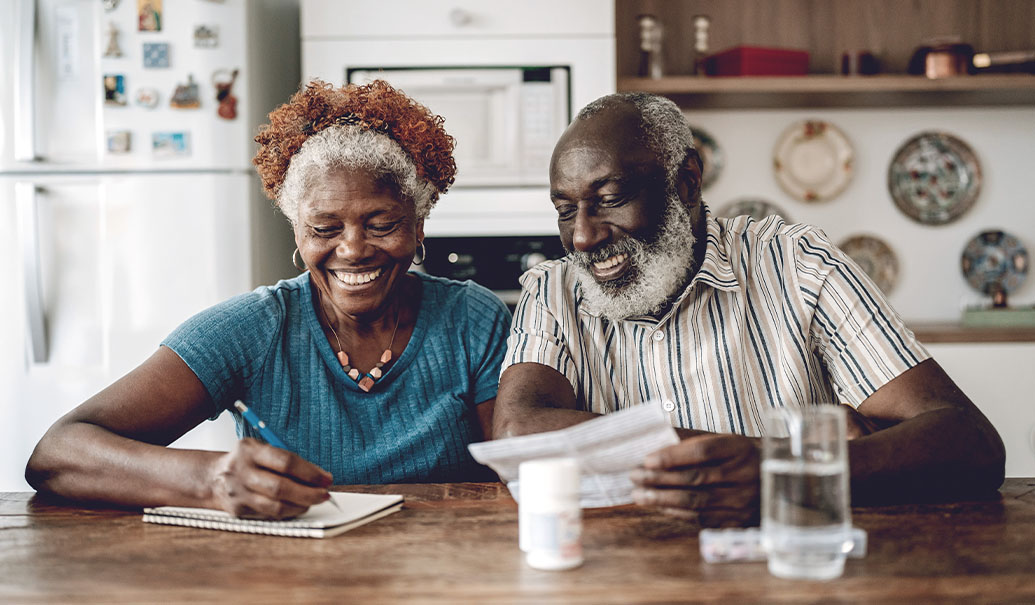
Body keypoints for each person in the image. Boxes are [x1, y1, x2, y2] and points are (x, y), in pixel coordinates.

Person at [493, 92, 1005, 527]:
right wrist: (784, 456)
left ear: (686, 183)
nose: (582, 235)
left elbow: (969, 440)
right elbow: (517, 434)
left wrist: (771, 477)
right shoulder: (552, 290)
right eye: (565, 210)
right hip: (618, 574)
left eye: (610, 197)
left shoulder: (797, 265)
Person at [26, 79, 511, 518]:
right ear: (297, 232)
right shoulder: (252, 330)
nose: (353, 250)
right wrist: (209, 480)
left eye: (382, 225)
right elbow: (57, 453)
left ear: (419, 224)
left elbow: (521, 476)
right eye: (324, 229)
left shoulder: (472, 318)